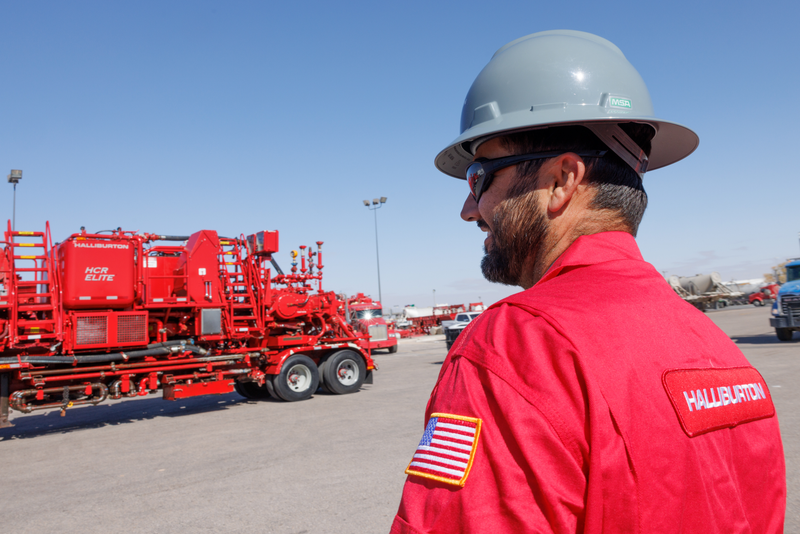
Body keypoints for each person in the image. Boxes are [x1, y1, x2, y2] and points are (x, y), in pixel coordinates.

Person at [391, 30, 785, 533]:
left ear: (562, 180)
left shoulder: (519, 347)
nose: (469, 209)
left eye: (479, 177)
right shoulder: (718, 349)